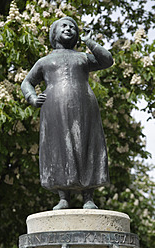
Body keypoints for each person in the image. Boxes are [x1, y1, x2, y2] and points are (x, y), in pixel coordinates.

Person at [21, 16, 113, 210]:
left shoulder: (82, 57)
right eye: (64, 25)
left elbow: (107, 60)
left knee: (87, 145)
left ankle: (89, 196)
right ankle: (63, 196)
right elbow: (26, 82)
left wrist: (90, 42)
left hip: (84, 106)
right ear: (54, 32)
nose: (69, 28)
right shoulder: (45, 61)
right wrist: (31, 97)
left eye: (73, 26)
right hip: (54, 108)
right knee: (58, 148)